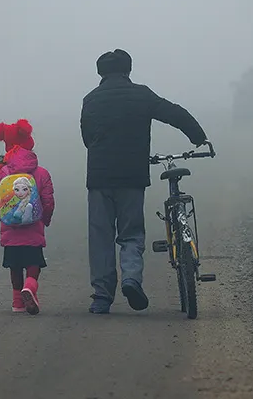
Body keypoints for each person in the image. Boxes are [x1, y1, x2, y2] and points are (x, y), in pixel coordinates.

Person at [80, 49, 208, 314]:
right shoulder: (141, 95)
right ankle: (131, 279)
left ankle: (102, 298)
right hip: (131, 177)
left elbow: (87, 137)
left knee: (101, 237)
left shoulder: (90, 99)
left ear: (100, 73)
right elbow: (175, 113)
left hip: (100, 177)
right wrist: (199, 138)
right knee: (131, 233)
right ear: (128, 69)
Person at [0, 119, 55, 315]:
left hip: (10, 230)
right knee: (34, 263)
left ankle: (17, 302)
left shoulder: (1, 172)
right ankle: (30, 286)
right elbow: (48, 200)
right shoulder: (41, 173)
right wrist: (46, 218)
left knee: (14, 265)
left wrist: (3, 217)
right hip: (34, 229)